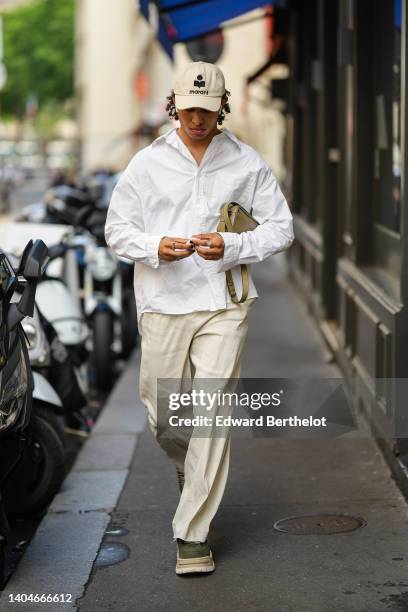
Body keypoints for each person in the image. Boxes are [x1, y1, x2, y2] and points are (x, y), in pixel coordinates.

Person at [105, 61, 294, 575]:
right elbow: (116, 231)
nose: (196, 119)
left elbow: (282, 230)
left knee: (211, 414)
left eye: (207, 110)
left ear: (222, 107)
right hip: (163, 303)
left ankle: (192, 534)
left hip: (225, 303)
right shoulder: (145, 164)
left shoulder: (247, 162)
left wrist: (232, 245)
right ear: (173, 105)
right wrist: (155, 246)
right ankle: (193, 475)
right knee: (166, 420)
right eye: (188, 109)